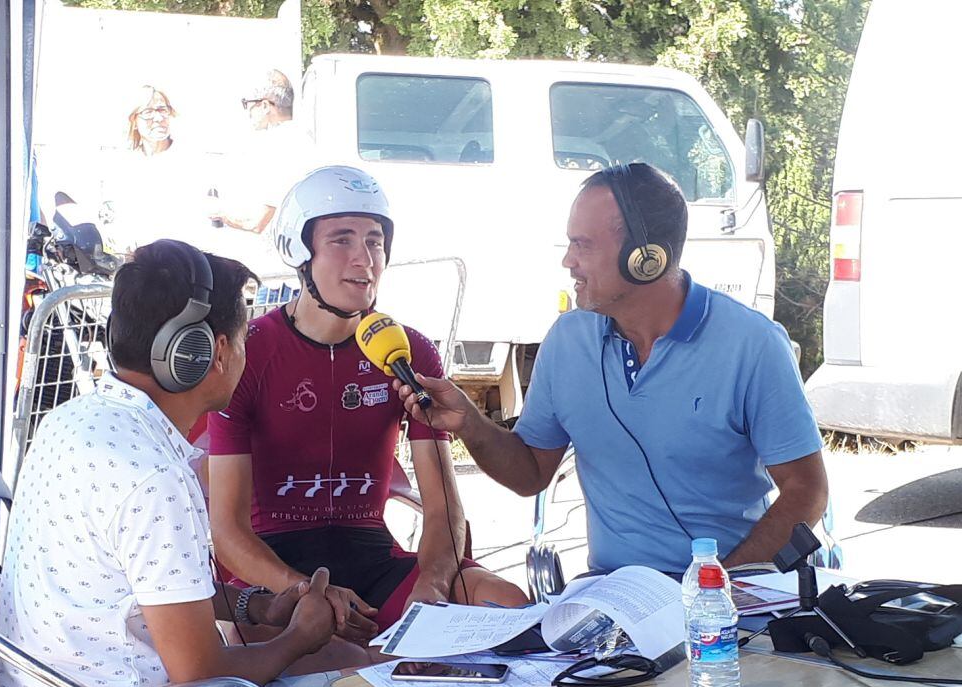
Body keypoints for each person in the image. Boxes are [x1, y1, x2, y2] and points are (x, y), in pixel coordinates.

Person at [395, 162, 829, 575]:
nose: (568, 260)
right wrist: (470, 424)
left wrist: (717, 591)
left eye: (583, 244)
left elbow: (807, 492)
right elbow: (529, 473)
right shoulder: (567, 340)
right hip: (615, 595)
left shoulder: (751, 344)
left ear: (646, 258)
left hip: (734, 596)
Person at [0, 239, 361, 687]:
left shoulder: (70, 420)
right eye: (245, 338)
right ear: (214, 352)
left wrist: (256, 607)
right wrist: (298, 638)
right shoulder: (154, 478)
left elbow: (146, 595)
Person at [207, 166, 528, 641]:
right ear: (299, 251)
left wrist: (434, 586)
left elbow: (444, 511)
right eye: (342, 240)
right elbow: (229, 534)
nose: (365, 259)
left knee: (510, 611)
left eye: (375, 241)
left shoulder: (410, 350)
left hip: (374, 556)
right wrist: (305, 592)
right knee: (321, 649)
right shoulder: (249, 352)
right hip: (275, 571)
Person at [100, 86, 212, 253]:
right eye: (148, 112)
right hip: (140, 263)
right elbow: (114, 218)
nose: (158, 118)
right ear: (134, 121)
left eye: (162, 110)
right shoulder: (124, 165)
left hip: (184, 262)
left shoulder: (190, 159)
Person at [210, 70, 312, 238]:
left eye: (247, 104)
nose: (247, 112)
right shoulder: (303, 139)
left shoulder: (278, 147)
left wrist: (220, 213)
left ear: (265, 105)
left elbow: (258, 222)